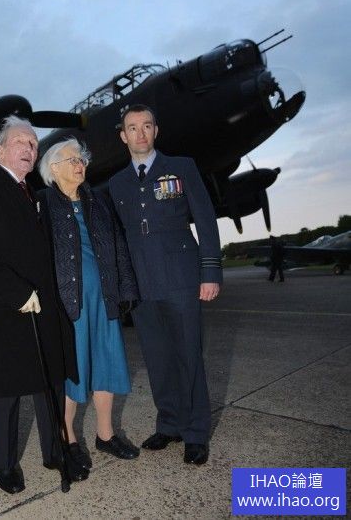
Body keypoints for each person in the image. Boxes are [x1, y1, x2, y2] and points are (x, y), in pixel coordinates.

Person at [0, 116, 86, 495]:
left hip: (43, 311)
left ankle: (55, 452)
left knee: (49, 386)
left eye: (33, 143)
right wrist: (15, 292)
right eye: (20, 142)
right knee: (5, 396)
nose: (29, 148)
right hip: (3, 311)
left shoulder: (36, 194)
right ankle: (4, 464)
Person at [108, 104, 222, 466]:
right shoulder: (117, 183)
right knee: (157, 359)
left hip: (181, 279)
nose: (140, 133)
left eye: (147, 126)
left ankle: (196, 432)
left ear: (156, 131)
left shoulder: (182, 167)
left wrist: (210, 272)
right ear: (123, 136)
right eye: (132, 127)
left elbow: (205, 220)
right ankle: (169, 424)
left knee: (189, 355)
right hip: (142, 285)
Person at [37, 138, 141, 471]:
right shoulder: (42, 204)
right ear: (54, 169)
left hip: (105, 298)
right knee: (74, 370)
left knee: (107, 364)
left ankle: (106, 435)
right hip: (69, 302)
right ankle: (67, 438)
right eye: (72, 160)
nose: (80, 164)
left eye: (81, 159)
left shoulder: (98, 201)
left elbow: (119, 245)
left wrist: (126, 288)